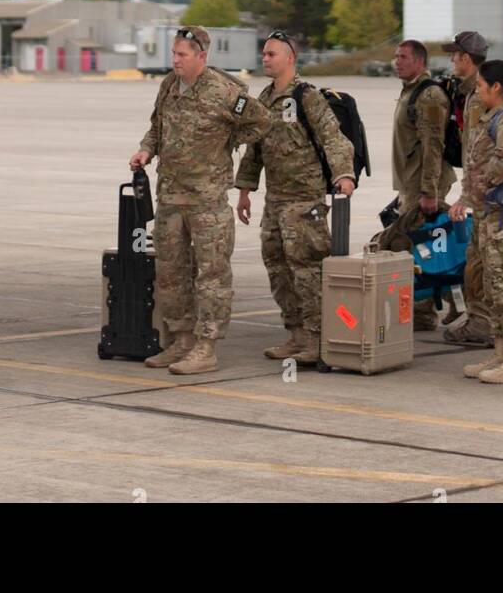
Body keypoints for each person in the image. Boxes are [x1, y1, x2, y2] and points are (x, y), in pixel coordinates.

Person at [130, 26, 270, 375]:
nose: (174, 60)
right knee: (171, 272)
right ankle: (181, 340)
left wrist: (228, 140)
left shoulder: (224, 92)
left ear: (202, 57)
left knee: (211, 275)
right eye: (174, 54)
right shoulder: (168, 86)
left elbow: (261, 122)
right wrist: (147, 149)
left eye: (182, 55)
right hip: (171, 198)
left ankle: (206, 346)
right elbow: (157, 127)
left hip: (207, 201)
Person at [236, 31, 355, 366]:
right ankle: (297, 334)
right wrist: (245, 191)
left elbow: (333, 137)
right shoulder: (263, 98)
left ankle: (319, 338)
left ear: (290, 58)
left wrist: (344, 175)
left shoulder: (307, 96)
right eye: (264, 53)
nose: (265, 58)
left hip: (304, 200)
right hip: (275, 200)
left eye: (272, 54)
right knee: (278, 267)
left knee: (308, 270)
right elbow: (254, 149)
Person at [451, 59, 503, 383]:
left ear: (496, 88)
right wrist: (469, 198)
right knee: (494, 287)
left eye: (481, 87)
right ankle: (502, 353)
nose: (478, 92)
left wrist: (480, 186)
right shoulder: (494, 117)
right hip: (491, 215)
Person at [391, 39, 455, 330]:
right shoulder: (410, 92)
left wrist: (429, 192)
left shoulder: (429, 96)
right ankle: (425, 308)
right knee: (423, 246)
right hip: (412, 184)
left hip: (424, 186)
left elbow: (433, 145)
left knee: (425, 248)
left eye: (403, 56)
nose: (397, 61)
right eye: (395, 56)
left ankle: (434, 308)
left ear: (419, 61)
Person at [440, 31, 495, 349]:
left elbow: (475, 151)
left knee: (479, 260)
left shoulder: (477, 97)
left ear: (466, 59)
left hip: (485, 193)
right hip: (491, 191)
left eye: (455, 56)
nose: (452, 61)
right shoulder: (476, 92)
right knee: (482, 257)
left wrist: (466, 196)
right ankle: (488, 320)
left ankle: (482, 322)